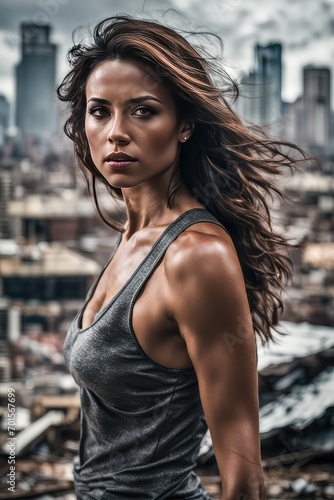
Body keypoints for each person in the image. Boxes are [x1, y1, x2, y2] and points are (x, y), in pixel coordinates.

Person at [58, 14, 305, 500]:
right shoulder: (133, 238)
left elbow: (244, 480)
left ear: (185, 124)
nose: (116, 133)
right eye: (99, 111)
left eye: (143, 111)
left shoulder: (196, 257)